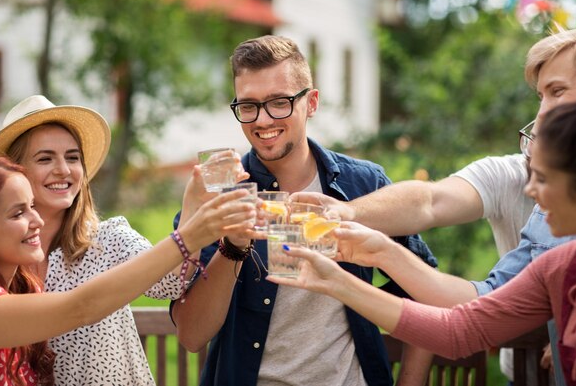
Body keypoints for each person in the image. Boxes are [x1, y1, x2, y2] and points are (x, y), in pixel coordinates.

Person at [292, 27, 576, 383]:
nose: (531, 191)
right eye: (540, 96)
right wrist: (372, 254)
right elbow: (464, 325)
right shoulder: (556, 258)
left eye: (557, 92)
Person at [170, 35, 438, 386]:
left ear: (311, 103)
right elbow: (191, 336)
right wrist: (233, 247)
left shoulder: (365, 183)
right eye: (248, 106)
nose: (262, 120)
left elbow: (426, 288)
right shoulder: (215, 191)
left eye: (279, 102)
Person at [0, 95, 251, 385]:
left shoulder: (107, 239)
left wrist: (192, 207)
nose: (63, 169)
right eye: (45, 158)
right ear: (15, 172)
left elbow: (171, 283)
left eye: (72, 157)